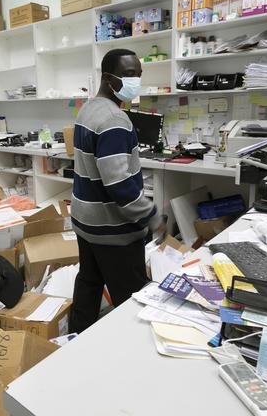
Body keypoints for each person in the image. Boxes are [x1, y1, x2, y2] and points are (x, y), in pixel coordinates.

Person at [70, 48, 162, 333]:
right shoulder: (114, 120)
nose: (136, 82)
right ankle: (128, 354)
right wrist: (153, 216)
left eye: (139, 75)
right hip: (113, 230)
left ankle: (75, 341)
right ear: (109, 78)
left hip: (86, 222)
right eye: (130, 75)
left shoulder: (88, 108)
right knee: (130, 301)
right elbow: (120, 187)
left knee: (89, 284)